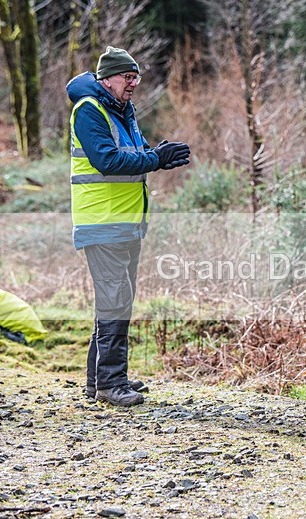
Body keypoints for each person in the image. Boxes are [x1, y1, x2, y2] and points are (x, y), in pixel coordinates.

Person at [67, 46, 191, 406]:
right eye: (127, 76)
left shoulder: (121, 110)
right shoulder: (89, 111)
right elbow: (106, 160)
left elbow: (133, 154)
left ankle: (99, 380)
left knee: (116, 301)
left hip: (126, 224)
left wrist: (158, 155)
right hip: (102, 221)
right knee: (115, 301)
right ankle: (110, 384)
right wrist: (155, 158)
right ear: (107, 79)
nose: (134, 83)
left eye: (136, 76)